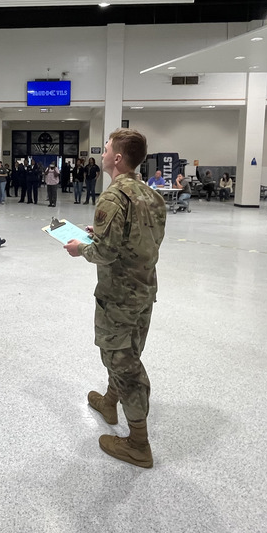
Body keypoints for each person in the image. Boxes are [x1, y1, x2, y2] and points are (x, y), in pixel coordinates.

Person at [62, 128, 166, 468]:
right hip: (144, 290)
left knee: (123, 361)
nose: (103, 152)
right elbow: (143, 240)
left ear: (117, 158)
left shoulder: (112, 197)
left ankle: (138, 443)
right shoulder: (152, 196)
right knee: (127, 350)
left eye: (107, 148)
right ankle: (110, 401)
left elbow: (105, 253)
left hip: (119, 296)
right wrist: (101, 235)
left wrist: (81, 248)